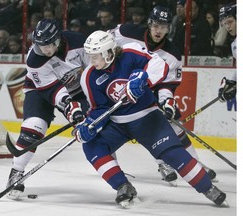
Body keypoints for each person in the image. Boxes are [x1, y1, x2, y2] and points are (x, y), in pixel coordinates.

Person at [74, 30, 226, 208]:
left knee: (173, 154)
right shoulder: (89, 76)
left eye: (95, 56)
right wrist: (89, 125)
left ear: (109, 52)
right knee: (92, 145)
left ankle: (207, 187)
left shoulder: (130, 52)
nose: (91, 61)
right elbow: (99, 108)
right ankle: (123, 186)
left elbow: (158, 64)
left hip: (147, 118)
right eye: (90, 56)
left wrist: (142, 78)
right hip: (117, 124)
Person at [108, 6, 217, 184]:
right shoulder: (126, 32)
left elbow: (167, 84)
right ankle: (121, 171)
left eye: (164, 27)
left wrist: (166, 101)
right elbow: (103, 43)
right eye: (156, 25)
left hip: (147, 95)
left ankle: (193, 163)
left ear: (169, 28)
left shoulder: (172, 54)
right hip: (118, 90)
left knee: (175, 126)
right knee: (108, 129)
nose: (159, 31)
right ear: (149, 24)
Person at [6, 18, 89, 199]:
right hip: (40, 89)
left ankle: (116, 173)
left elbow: (93, 70)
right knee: (34, 127)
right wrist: (68, 106)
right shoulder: (35, 59)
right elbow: (51, 90)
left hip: (78, 90)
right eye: (40, 45)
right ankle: (16, 172)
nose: (45, 50)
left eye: (48, 45)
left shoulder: (79, 43)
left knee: (94, 124)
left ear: (58, 39)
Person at [217, 4, 236, 102]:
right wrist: (232, 82)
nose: (228, 26)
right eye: (225, 23)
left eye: (230, 22)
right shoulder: (234, 44)